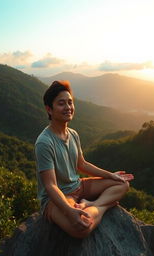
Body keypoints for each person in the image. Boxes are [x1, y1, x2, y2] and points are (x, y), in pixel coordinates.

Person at [35, 80, 134, 239]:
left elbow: (82, 164)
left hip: (79, 186)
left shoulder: (73, 134)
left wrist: (111, 175)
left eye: (70, 102)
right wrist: (70, 211)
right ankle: (103, 207)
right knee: (81, 229)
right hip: (58, 197)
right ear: (49, 109)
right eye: (61, 103)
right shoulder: (44, 142)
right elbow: (51, 186)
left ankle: (94, 205)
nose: (68, 107)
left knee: (122, 184)